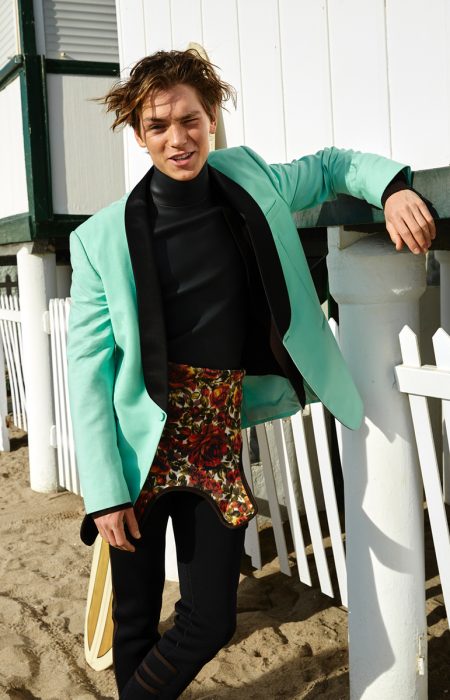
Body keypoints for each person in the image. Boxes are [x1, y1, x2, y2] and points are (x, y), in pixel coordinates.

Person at [67, 49, 436, 699]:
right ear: (139, 135)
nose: (177, 138)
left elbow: (331, 166)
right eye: (158, 126)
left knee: (210, 620)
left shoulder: (250, 179)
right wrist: (104, 491)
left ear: (211, 117)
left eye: (189, 120)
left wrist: (392, 187)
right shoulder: (100, 239)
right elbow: (88, 372)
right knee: (135, 621)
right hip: (134, 453)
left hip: (212, 437)